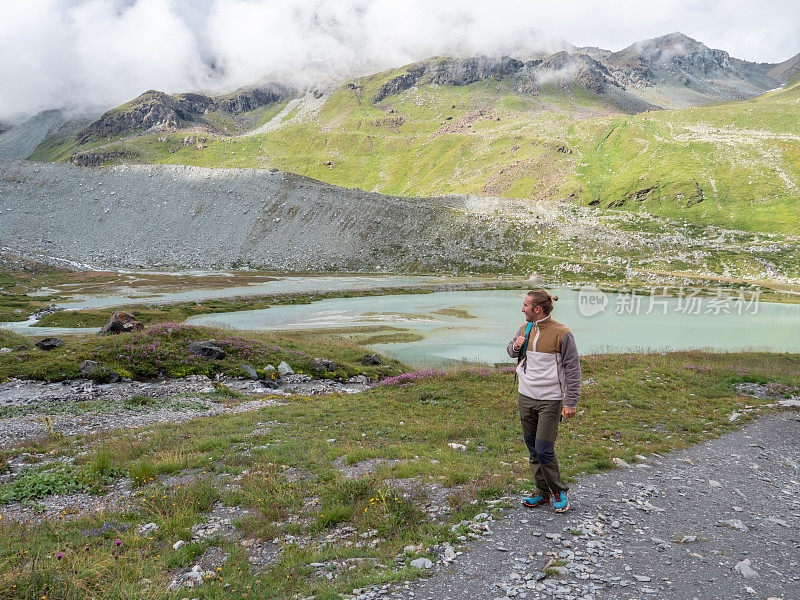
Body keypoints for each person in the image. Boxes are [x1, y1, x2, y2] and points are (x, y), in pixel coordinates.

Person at [507, 289, 581, 513]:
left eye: (526, 305)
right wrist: (516, 346)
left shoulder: (562, 333)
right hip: (525, 397)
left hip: (550, 400)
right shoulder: (524, 328)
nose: (522, 309)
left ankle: (558, 491)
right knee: (532, 447)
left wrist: (571, 402)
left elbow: (573, 369)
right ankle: (541, 491)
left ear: (537, 309)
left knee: (544, 449)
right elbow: (511, 352)